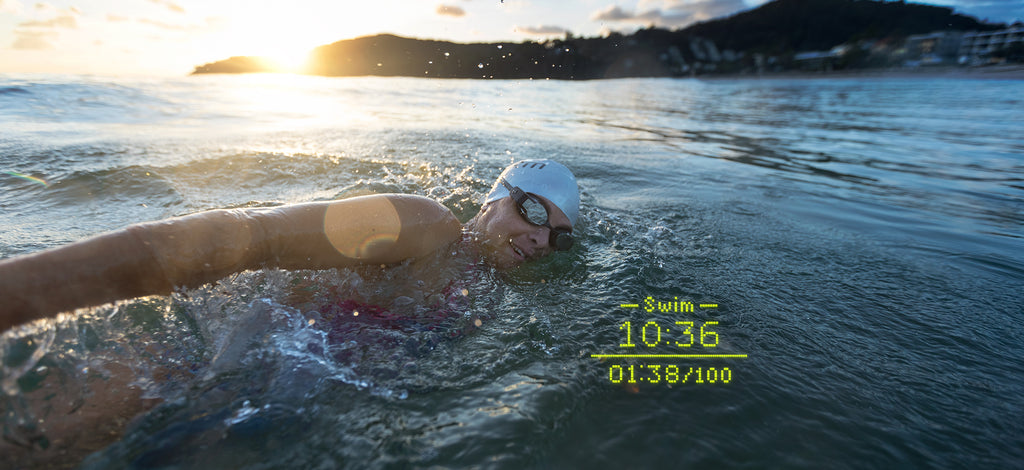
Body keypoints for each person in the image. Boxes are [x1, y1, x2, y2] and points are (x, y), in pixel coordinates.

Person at [0, 158, 580, 332]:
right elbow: (247, 236)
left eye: (558, 235)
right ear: (493, 198)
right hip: (243, 345)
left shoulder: (493, 285)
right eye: (532, 209)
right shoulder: (427, 223)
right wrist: (21, 291)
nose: (538, 235)